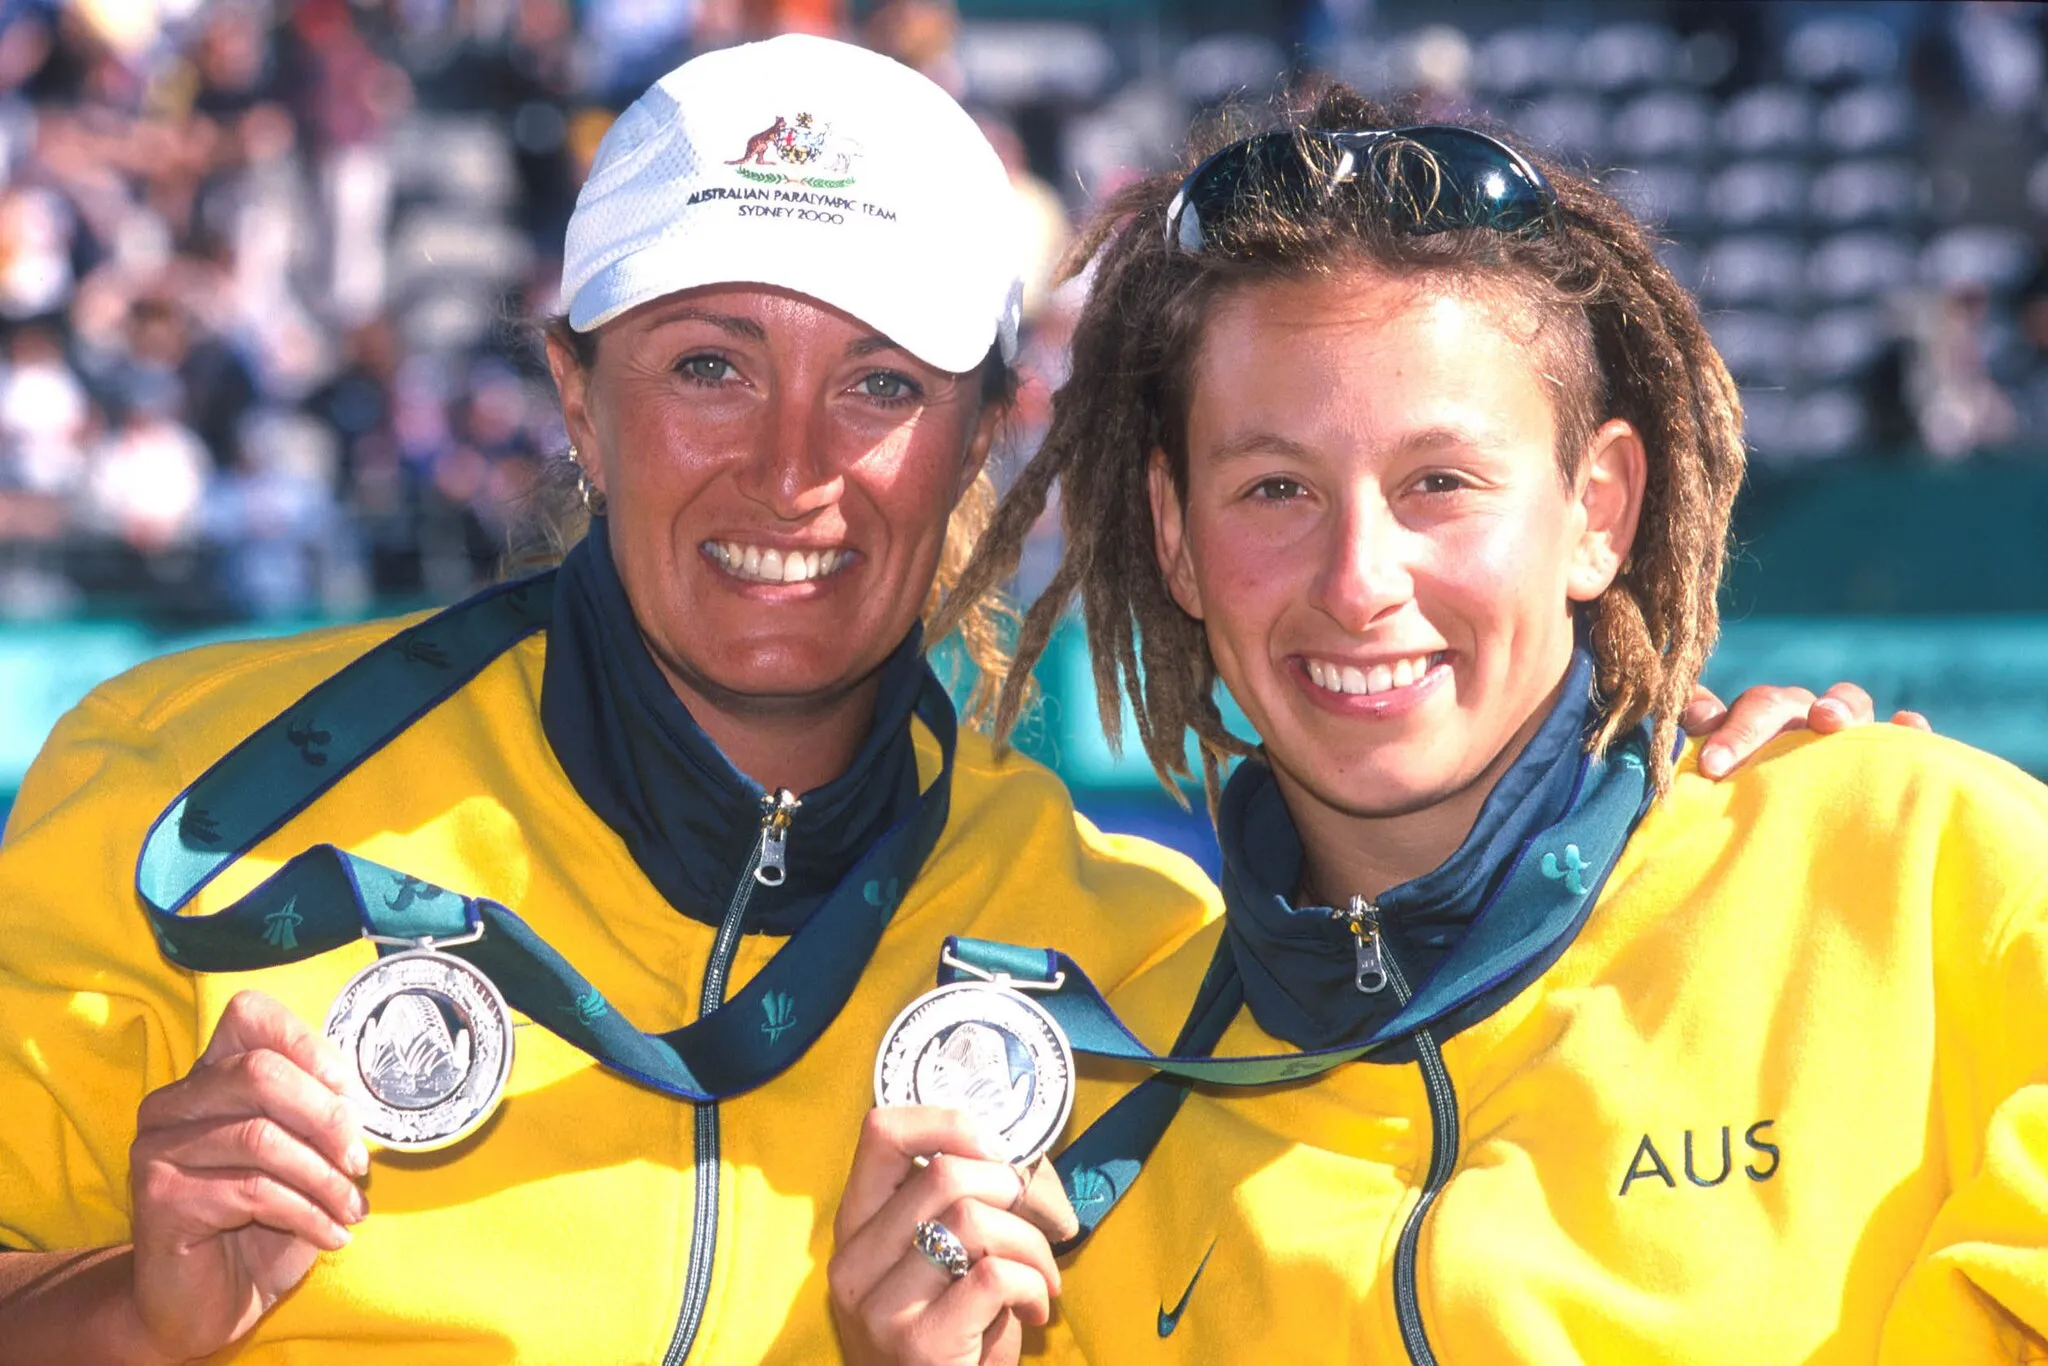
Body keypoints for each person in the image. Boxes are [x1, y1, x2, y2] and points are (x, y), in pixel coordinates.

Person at [0, 39, 1882, 1366]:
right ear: (573, 395)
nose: (792, 467)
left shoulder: (1130, 976)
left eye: (885, 386)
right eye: (709, 364)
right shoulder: (185, 794)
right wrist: (128, 1317)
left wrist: (1715, 809)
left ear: (988, 433)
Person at [828, 89, 2035, 1365]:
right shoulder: (1091, 1159)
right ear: (1175, 537)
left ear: (1596, 509)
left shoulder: (1922, 872)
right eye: (1274, 487)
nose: (1357, 578)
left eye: (1439, 483)